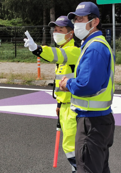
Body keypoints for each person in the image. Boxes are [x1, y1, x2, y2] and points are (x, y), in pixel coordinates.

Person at [59, 2, 115, 173]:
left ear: (95, 21)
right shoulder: (93, 44)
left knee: (88, 168)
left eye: (81, 19)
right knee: (99, 168)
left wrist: (67, 83)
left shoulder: (94, 47)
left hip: (91, 123)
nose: (76, 23)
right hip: (99, 120)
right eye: (75, 19)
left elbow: (87, 85)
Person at [24, 16, 81, 173]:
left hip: (73, 109)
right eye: (55, 29)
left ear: (70, 33)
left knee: (72, 148)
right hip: (64, 107)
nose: (56, 32)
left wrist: (37, 49)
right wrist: (58, 105)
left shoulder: (74, 51)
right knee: (70, 147)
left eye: (60, 30)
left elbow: (56, 54)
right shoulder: (64, 54)